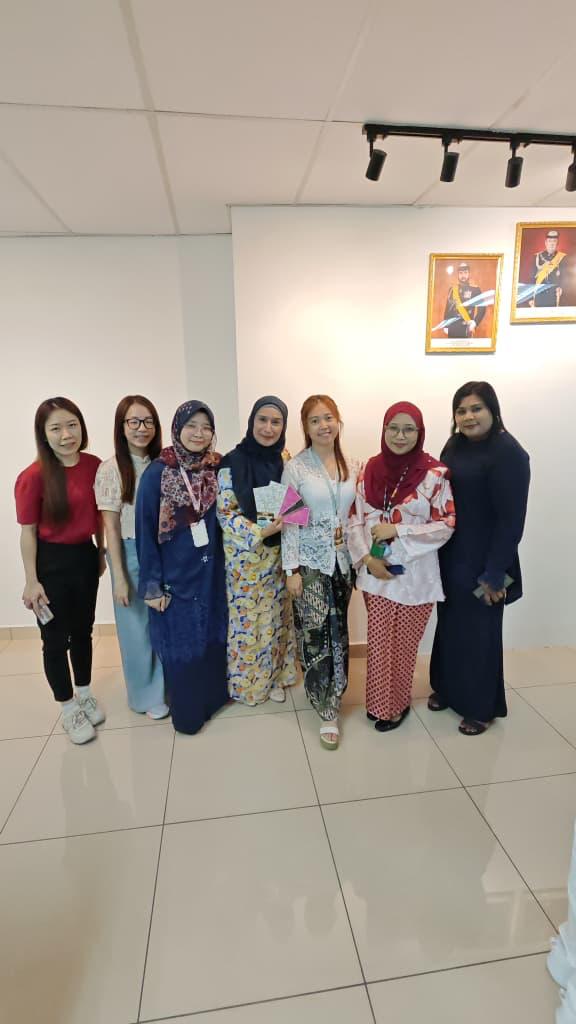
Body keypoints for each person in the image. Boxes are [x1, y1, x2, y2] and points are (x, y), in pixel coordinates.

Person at [429, 382, 530, 735]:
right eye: (461, 410)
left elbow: (511, 521)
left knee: (481, 632)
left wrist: (494, 574)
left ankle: (480, 707)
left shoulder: (509, 454)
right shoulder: (454, 445)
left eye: (476, 408)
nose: (468, 416)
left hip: (488, 562)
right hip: (451, 555)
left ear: (493, 410)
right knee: (451, 624)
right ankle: (447, 688)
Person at [347, 402, 455, 731]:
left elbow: (446, 524)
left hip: (415, 577)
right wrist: (368, 559)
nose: (400, 436)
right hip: (376, 573)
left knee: (404, 645)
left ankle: (397, 704)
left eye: (409, 429)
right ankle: (380, 705)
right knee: (380, 644)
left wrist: (398, 530)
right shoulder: (369, 469)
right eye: (393, 428)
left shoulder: (435, 475)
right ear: (384, 430)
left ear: (420, 433)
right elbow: (355, 519)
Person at [14, 397, 106, 745]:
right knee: (54, 639)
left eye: (72, 425)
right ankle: (68, 708)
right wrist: (31, 581)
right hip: (50, 563)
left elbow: (101, 516)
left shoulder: (95, 465)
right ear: (43, 434)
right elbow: (27, 533)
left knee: (83, 631)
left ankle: (84, 693)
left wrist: (100, 553)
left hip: (84, 556)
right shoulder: (32, 477)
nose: (67, 435)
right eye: (56, 428)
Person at [135, 400, 228, 735]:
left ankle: (212, 700)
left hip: (211, 573)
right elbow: (145, 533)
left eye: (206, 427)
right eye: (191, 426)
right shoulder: (157, 473)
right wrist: (152, 585)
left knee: (212, 635)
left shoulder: (215, 468)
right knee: (182, 644)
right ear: (177, 428)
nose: (199, 434)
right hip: (175, 577)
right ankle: (188, 712)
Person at [281, 395, 359, 750]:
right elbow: (289, 522)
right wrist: (291, 570)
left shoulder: (353, 465)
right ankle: (324, 705)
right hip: (310, 563)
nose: (323, 425)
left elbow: (358, 514)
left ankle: (336, 692)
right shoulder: (296, 468)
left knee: (338, 631)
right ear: (306, 427)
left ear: (338, 421)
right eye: (315, 420)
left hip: (343, 562)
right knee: (314, 633)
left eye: (328, 417)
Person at [217, 396, 297, 705]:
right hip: (245, 561)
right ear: (252, 422)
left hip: (279, 556)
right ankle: (250, 686)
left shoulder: (284, 459)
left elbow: (294, 502)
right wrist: (259, 532)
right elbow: (226, 514)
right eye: (262, 420)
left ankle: (276, 676)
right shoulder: (231, 462)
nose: (268, 428)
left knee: (277, 621)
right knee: (249, 624)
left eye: (276, 422)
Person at [95, 395, 169, 719]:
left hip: (165, 551)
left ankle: (167, 686)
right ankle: (145, 697)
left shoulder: (164, 464)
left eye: (148, 421)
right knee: (136, 629)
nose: (142, 428)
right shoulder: (110, 469)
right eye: (134, 421)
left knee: (164, 622)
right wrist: (120, 578)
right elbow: (110, 527)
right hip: (130, 551)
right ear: (121, 427)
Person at [443, 262, 486, 338]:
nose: (463, 275)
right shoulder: (452, 289)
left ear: (469, 273)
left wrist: (475, 322)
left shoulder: (475, 289)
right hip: (452, 327)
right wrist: (445, 325)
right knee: (452, 346)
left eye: (465, 273)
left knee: (466, 346)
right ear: (458, 274)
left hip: (467, 327)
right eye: (461, 273)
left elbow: (482, 308)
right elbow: (448, 308)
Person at [530, 229, 567, 307]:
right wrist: (530, 297)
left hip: (555, 294)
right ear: (546, 243)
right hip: (539, 294)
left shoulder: (562, 257)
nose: (552, 244)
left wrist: (561, 287)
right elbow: (532, 278)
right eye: (549, 241)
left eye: (554, 241)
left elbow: (565, 276)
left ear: (557, 243)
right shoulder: (537, 257)